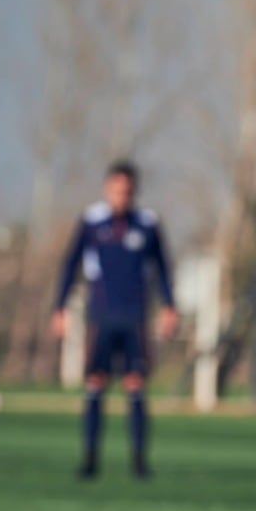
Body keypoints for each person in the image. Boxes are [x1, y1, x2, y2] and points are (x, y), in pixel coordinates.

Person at [52, 160, 178, 479]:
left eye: (127, 190)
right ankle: (90, 459)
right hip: (101, 315)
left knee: (135, 385)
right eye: (116, 190)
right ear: (108, 189)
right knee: (95, 383)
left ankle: (139, 462)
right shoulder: (92, 222)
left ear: (134, 191)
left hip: (135, 316)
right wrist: (60, 307)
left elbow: (162, 269)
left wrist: (168, 306)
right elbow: (70, 264)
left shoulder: (147, 224)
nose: (122, 195)